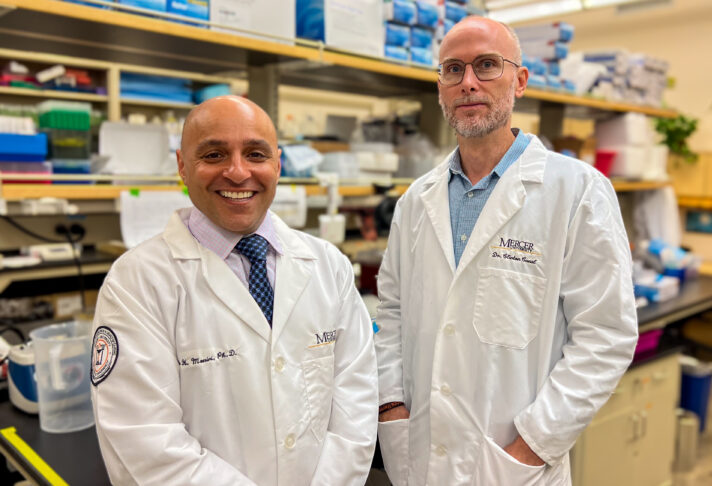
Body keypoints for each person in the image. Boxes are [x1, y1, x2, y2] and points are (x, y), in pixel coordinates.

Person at [374, 17, 638, 486]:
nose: (468, 82)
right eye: (452, 69)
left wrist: (532, 446)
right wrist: (392, 407)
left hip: (513, 464)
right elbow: (390, 314)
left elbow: (606, 335)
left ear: (519, 82)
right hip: (420, 457)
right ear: (440, 87)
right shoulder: (416, 200)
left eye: (487, 65)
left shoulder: (576, 191)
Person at [91, 96, 378, 485]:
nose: (238, 172)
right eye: (214, 154)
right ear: (182, 166)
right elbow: (145, 441)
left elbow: (354, 408)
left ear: (277, 165)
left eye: (255, 154)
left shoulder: (330, 267)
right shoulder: (137, 283)